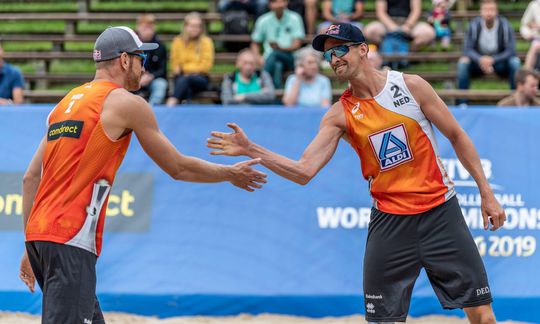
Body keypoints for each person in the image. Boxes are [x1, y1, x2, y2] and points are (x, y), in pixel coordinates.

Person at [208, 23, 506, 323]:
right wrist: (250, 148)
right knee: (382, 321)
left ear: (363, 49)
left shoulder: (411, 86)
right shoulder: (340, 114)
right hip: (390, 222)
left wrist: (486, 192)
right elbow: (304, 170)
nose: (334, 59)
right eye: (328, 55)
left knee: (483, 315)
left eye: (340, 49)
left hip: (440, 213)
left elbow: (457, 136)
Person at [18, 26, 266, 324]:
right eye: (140, 58)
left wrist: (30, 244)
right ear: (124, 60)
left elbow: (31, 177)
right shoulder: (126, 103)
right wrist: (228, 173)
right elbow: (178, 167)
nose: (144, 65)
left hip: (40, 236)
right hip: (70, 237)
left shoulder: (64, 105)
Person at [456, 0, 520, 104]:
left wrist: (492, 59)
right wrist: (480, 59)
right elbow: (467, 49)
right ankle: (463, 103)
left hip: (499, 63)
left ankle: (516, 100)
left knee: (514, 62)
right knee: (463, 63)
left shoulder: (504, 25)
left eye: (492, 10)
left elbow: (511, 50)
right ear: (480, 11)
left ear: (497, 12)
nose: (489, 13)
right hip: (478, 63)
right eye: (486, 10)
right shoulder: (473, 25)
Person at [250, 0, 306, 89]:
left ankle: (260, 81)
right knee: (277, 65)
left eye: (281, 1)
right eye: (275, 2)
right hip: (270, 59)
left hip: (291, 58)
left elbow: (297, 45)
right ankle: (277, 97)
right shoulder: (263, 20)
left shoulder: (295, 18)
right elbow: (255, 43)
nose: (279, 4)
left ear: (286, 2)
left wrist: (280, 48)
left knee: (275, 53)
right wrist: (258, 58)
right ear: (270, 5)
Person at [166, 12, 215, 106]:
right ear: (185, 26)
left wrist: (184, 69)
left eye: (198, 26)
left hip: (200, 79)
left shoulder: (206, 42)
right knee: (186, 84)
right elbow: (175, 66)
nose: (195, 29)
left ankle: (173, 100)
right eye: (192, 26)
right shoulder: (177, 41)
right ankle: (187, 104)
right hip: (181, 78)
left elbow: (205, 66)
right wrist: (193, 69)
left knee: (185, 80)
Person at [363, 0, 435, 49]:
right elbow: (381, 12)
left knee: (428, 33)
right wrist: (391, 26)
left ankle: (408, 54)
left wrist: (408, 25)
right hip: (387, 23)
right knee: (369, 31)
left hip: (410, 23)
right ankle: (386, 51)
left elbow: (416, 10)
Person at [134, 14, 168, 105]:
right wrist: (138, 78)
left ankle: (152, 110)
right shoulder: (131, 46)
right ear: (138, 28)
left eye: (150, 28)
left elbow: (162, 70)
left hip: (153, 79)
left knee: (161, 84)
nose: (148, 31)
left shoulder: (160, 46)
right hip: (134, 78)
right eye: (145, 28)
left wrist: (150, 76)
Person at [0, 39, 24, 105]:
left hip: (6, 113)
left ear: (2, 51)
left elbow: (18, 102)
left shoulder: (14, 73)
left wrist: (5, 103)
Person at [521, 0, 540, 71]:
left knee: (535, 46)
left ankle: (526, 74)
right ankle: (527, 73)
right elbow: (525, 24)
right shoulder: (534, 5)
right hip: (536, 39)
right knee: (535, 45)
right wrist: (528, 34)